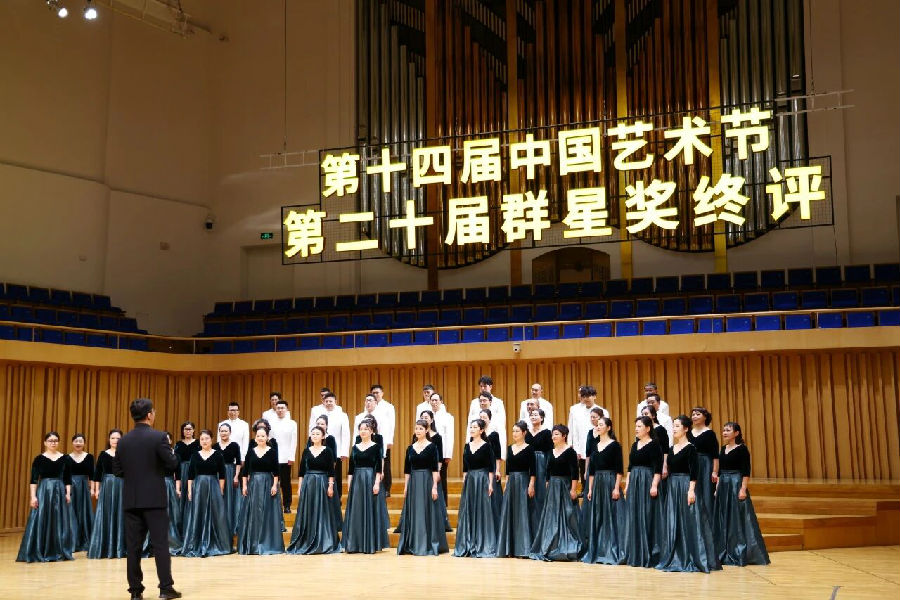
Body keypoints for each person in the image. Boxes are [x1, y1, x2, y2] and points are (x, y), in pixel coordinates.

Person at [112, 399, 181, 599]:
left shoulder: (123, 441)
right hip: (154, 500)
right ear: (149, 414)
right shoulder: (159, 437)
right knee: (160, 545)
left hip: (131, 500)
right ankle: (165, 588)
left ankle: (135, 592)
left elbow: (117, 470)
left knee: (133, 547)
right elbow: (173, 463)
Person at [655, 415, 720, 573]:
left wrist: (691, 490)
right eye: (673, 426)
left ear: (685, 429)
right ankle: (674, 555)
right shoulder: (672, 448)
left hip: (686, 486)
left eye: (677, 426)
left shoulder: (691, 448)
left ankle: (692, 556)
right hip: (673, 487)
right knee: (673, 521)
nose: (674, 429)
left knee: (689, 521)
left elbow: (694, 472)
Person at [714, 421, 770, 566]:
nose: (725, 432)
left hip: (735, 483)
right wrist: (717, 488)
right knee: (724, 517)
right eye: (724, 430)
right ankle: (724, 551)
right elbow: (719, 471)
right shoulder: (723, 448)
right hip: (724, 484)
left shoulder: (742, 449)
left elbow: (746, 471)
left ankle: (741, 552)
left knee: (738, 518)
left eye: (728, 430)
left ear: (736, 433)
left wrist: (743, 489)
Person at [17, 431, 75, 563]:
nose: (53, 443)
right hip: (44, 492)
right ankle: (40, 550)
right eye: (50, 441)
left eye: (55, 441)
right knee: (42, 519)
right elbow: (33, 480)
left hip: (59, 491)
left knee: (59, 521)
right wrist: (33, 497)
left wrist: (67, 494)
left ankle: (59, 551)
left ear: (58, 442)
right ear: (45, 443)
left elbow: (68, 479)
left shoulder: (65, 459)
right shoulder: (39, 459)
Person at [529, 424, 583, 561]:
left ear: (564, 436)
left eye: (557, 434)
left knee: (568, 515)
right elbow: (548, 471)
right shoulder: (550, 452)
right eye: (553, 434)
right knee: (551, 516)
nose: (553, 436)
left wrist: (573, 489)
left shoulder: (570, 452)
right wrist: (548, 485)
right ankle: (551, 545)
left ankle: (568, 546)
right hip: (553, 487)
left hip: (565, 486)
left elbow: (574, 473)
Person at [396, 420, 448, 555]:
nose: (418, 431)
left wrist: (434, 487)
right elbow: (407, 470)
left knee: (427, 511)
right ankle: (414, 543)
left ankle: (428, 543)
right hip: (414, 483)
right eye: (416, 428)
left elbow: (435, 469)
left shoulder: (432, 447)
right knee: (415, 512)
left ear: (426, 430)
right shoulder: (410, 448)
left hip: (427, 481)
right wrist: (406, 487)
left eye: (420, 428)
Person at [286, 426, 340, 554]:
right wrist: (300, 487)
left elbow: (331, 471)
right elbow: (301, 471)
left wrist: (330, 486)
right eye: (313, 434)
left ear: (323, 436)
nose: (315, 436)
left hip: (322, 483)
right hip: (308, 483)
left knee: (322, 512)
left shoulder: (328, 451)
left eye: (317, 434)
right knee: (308, 511)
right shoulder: (306, 451)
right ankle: (306, 539)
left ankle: (324, 541)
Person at [181, 429, 232, 558]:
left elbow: (222, 475)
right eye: (202, 439)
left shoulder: (218, 455)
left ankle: (215, 544)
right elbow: (190, 475)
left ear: (211, 440)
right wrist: (189, 490)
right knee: (198, 514)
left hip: (213, 487)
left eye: (207, 438)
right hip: (198, 488)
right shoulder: (195, 455)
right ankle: (196, 543)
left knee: (215, 515)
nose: (204, 441)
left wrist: (220, 490)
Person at [621, 416, 663, 568]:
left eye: (639, 426)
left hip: (647, 481)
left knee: (647, 515)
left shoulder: (654, 445)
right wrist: (627, 485)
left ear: (648, 428)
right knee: (634, 516)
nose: (636, 429)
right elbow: (630, 467)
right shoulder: (634, 445)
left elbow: (658, 468)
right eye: (636, 426)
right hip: (635, 482)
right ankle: (635, 552)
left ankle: (648, 552)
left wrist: (654, 485)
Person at [581, 417, 624, 565]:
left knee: (611, 516)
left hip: (610, 482)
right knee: (598, 516)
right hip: (597, 484)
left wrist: (616, 487)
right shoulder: (595, 445)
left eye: (601, 425)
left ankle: (611, 550)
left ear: (608, 428)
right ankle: (598, 550)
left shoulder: (615, 445)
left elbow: (619, 469)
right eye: (597, 425)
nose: (598, 427)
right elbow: (592, 471)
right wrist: (590, 488)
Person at [343, 420, 389, 553]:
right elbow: (351, 469)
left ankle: (370, 543)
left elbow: (378, 468)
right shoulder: (355, 447)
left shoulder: (376, 447)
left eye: (366, 429)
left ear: (371, 431)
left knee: (370, 510)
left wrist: (376, 483)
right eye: (361, 429)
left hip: (370, 479)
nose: (363, 431)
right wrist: (350, 484)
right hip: (357, 481)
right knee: (356, 511)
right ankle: (355, 543)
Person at [237, 425, 284, 555]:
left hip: (268, 483)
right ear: (255, 438)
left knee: (267, 513)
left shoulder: (272, 452)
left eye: (263, 436)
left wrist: (274, 485)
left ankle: (267, 543)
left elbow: (276, 471)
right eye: (258, 436)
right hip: (253, 485)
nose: (260, 438)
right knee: (253, 514)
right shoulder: (251, 452)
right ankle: (253, 544)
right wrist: (244, 486)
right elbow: (245, 472)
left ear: (267, 437)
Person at [454, 418, 498, 558]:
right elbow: (465, 467)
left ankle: (482, 543)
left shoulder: (487, 446)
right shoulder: (467, 446)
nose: (472, 429)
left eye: (474, 427)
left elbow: (491, 467)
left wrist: (490, 484)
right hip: (470, 480)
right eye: (471, 427)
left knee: (482, 511)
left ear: (481, 430)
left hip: (482, 479)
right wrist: (465, 480)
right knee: (468, 510)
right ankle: (467, 543)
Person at [496, 420, 536, 558]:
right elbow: (508, 469)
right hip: (512, 482)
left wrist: (531, 485)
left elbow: (533, 470)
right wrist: (507, 483)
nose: (514, 433)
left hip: (523, 481)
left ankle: (523, 548)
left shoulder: (529, 448)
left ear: (524, 433)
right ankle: (509, 548)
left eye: (517, 431)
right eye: (513, 431)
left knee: (522, 513)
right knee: (510, 513)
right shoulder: (509, 448)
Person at [88, 428, 126, 559]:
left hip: (122, 487)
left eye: (118, 438)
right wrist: (97, 490)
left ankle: (121, 548)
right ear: (109, 440)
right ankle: (105, 548)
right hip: (107, 487)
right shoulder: (103, 455)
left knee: (121, 515)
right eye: (113, 438)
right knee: (106, 514)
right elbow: (97, 474)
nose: (115, 440)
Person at [308, 391, 351, 501]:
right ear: (323, 402)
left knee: (336, 475)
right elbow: (312, 430)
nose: (328, 403)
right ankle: (323, 497)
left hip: (337, 449)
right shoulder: (319, 415)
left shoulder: (342, 415)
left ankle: (338, 498)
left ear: (335, 401)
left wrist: (344, 452)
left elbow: (346, 434)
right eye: (326, 401)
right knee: (324, 473)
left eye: (330, 401)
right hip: (320, 447)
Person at [568, 385, 608, 493]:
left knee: (597, 466)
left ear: (594, 396)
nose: (586, 398)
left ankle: (598, 489)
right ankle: (585, 490)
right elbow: (573, 429)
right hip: (581, 443)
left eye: (589, 396)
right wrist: (574, 447)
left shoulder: (602, 411)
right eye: (584, 396)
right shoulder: (576, 411)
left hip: (597, 443)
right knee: (583, 467)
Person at [307, 415, 342, 530]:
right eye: (318, 423)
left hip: (326, 475)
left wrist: (329, 478)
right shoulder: (311, 438)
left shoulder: (330, 439)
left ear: (326, 425)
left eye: (322, 424)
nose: (320, 425)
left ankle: (330, 525)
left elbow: (334, 460)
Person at [688, 407, 719, 521]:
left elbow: (715, 455)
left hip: (705, 466)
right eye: (693, 414)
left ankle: (708, 522)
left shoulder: (710, 433)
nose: (694, 416)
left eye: (698, 414)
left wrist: (715, 471)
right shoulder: (689, 433)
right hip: (691, 464)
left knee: (706, 493)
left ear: (705, 417)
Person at [269, 398, 298, 513]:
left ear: (286, 409)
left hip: (286, 458)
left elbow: (293, 441)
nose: (280, 410)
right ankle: (274, 506)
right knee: (273, 482)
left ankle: (287, 505)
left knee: (286, 483)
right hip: (273, 457)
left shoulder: (292, 423)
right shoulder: (270, 422)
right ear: (275, 409)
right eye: (278, 408)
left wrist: (291, 457)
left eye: (282, 408)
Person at [67, 432, 94, 552]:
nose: (78, 443)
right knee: (71, 513)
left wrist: (92, 489)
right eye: (76, 441)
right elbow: (65, 476)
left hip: (84, 487)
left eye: (81, 441)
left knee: (84, 512)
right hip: (71, 487)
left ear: (84, 443)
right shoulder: (66, 458)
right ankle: (72, 542)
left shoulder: (89, 457)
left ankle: (85, 541)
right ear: (72, 443)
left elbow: (92, 475)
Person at [525, 408, 552, 525]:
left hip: (541, 463)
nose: (533, 417)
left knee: (540, 491)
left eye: (536, 415)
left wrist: (548, 467)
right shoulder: (526, 432)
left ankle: (542, 522)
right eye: (531, 415)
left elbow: (550, 452)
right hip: (527, 463)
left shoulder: (547, 432)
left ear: (541, 418)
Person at [216, 422, 243, 534]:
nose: (224, 433)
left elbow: (238, 462)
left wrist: (236, 476)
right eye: (222, 431)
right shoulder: (215, 446)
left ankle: (231, 526)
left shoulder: (235, 445)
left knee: (231, 500)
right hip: (218, 475)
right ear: (219, 432)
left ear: (230, 432)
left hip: (231, 473)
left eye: (226, 431)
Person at [478, 407, 504, 523]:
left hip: (491, 466)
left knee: (493, 492)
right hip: (480, 467)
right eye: (480, 417)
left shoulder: (494, 434)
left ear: (489, 419)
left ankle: (495, 521)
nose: (482, 419)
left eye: (485, 417)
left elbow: (498, 454)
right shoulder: (477, 433)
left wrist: (497, 469)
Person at [370, 384, 396, 497]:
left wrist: (390, 440)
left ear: (382, 393)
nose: (375, 394)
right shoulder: (369, 405)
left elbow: (392, 424)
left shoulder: (388, 406)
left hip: (384, 439)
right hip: (371, 439)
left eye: (377, 392)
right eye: (373, 393)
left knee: (385, 463)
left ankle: (386, 488)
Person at [428, 392, 454, 501]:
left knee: (441, 477)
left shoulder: (448, 417)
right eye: (432, 400)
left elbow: (450, 436)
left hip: (442, 452)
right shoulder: (427, 415)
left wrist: (448, 454)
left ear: (441, 402)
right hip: (429, 451)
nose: (434, 402)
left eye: (436, 400)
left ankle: (444, 503)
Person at [173, 421, 198, 517]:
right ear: (182, 431)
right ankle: (180, 519)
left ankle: (192, 519)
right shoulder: (178, 444)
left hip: (194, 471)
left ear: (193, 430)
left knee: (192, 493)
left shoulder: (198, 443)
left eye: (190, 429)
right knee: (181, 494)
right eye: (185, 429)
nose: (188, 431)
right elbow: (175, 459)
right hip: (181, 471)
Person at [642, 405, 670, 481]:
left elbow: (665, 449)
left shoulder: (660, 429)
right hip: (646, 464)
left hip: (658, 463)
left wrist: (665, 466)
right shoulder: (642, 430)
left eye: (646, 414)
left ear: (653, 416)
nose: (644, 416)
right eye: (642, 414)